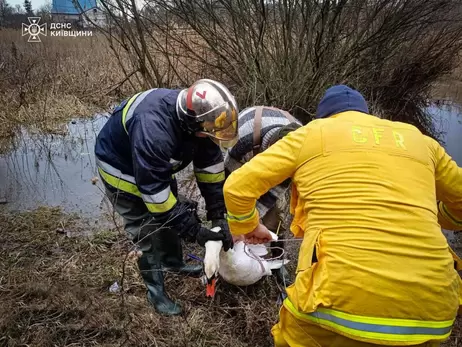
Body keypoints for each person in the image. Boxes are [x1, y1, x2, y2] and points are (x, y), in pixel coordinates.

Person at [223, 84, 462, 346]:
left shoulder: (312, 134)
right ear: (367, 115)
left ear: (324, 117)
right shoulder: (420, 141)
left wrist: (248, 226)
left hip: (334, 306)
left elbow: (236, 187)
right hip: (432, 315)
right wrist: (437, 217)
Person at [94, 79, 238, 316]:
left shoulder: (203, 121)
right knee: (146, 227)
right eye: (208, 131)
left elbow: (211, 173)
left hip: (152, 167)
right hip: (121, 167)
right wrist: (196, 232)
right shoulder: (153, 128)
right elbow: (156, 197)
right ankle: (156, 292)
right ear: (193, 125)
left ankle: (173, 263)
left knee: (173, 210)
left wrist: (218, 216)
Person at [223, 106, 302, 285]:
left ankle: (277, 259)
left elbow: (276, 189)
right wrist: (239, 222)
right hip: (244, 161)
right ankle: (231, 253)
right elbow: (229, 184)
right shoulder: (242, 141)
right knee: (233, 219)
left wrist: (254, 221)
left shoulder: (300, 147)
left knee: (275, 217)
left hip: (271, 158)